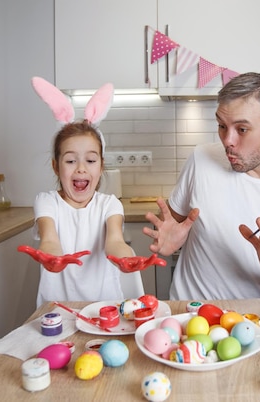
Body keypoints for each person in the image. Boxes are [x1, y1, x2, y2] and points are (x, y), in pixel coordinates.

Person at [143, 72, 260, 300]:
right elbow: (169, 225)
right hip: (191, 318)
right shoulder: (201, 159)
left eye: (242, 129)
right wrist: (164, 239)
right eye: (222, 126)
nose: (227, 140)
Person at [18, 77, 164, 307]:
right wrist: (52, 257)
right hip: (57, 309)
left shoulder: (109, 204)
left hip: (104, 307)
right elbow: (49, 240)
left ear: (101, 166)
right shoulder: (47, 202)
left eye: (90, 160)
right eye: (70, 160)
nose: (81, 168)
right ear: (56, 166)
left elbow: (114, 241)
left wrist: (126, 258)